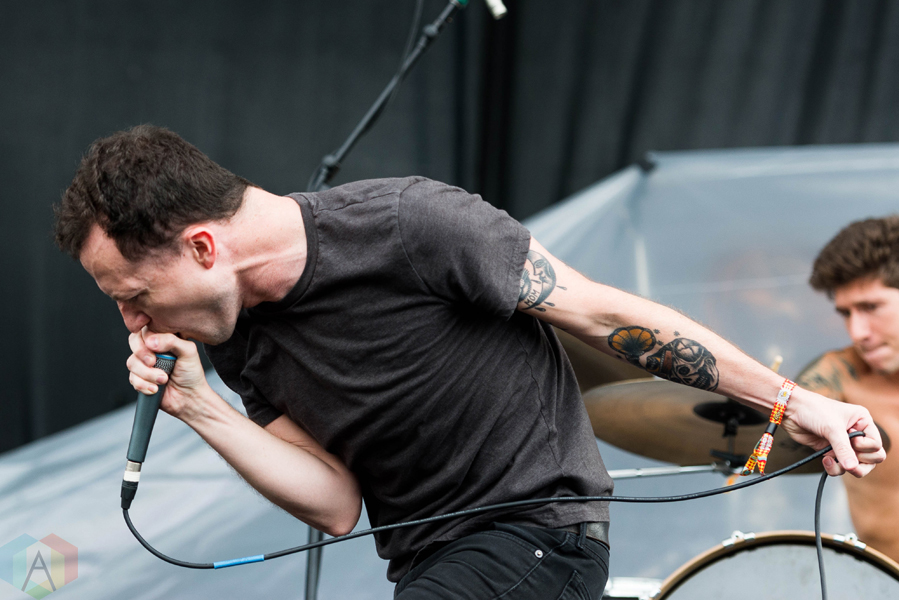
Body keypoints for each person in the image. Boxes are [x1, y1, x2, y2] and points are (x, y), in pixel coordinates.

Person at [54, 125, 884, 599]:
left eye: (134, 294)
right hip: (429, 568)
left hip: (538, 539)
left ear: (203, 247)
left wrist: (796, 403)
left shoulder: (409, 225)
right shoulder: (235, 337)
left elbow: (603, 314)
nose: (132, 320)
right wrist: (200, 407)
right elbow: (336, 505)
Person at [797, 216, 899, 563]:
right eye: (846, 313)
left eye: (870, 307)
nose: (857, 333)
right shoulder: (838, 374)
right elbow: (776, 415)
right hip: (882, 583)